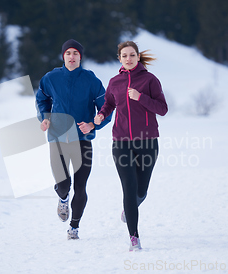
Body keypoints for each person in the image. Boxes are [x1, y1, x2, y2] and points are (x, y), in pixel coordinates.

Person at [94, 41, 168, 251]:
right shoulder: (115, 82)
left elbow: (162, 109)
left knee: (141, 191)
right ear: (119, 58)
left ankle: (130, 209)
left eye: (132, 55)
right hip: (121, 142)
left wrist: (141, 97)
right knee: (129, 188)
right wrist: (101, 114)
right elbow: (109, 104)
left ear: (138, 57)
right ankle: (134, 237)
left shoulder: (150, 80)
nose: (128, 59)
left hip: (147, 141)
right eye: (124, 55)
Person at [36, 39, 112, 240]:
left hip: (82, 140)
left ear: (80, 57)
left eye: (75, 53)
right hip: (58, 138)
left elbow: (105, 109)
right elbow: (42, 99)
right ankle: (62, 198)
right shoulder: (51, 78)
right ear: (63, 56)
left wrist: (93, 124)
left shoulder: (91, 80)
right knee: (63, 184)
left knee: (80, 186)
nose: (72, 56)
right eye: (68, 53)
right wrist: (44, 117)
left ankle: (74, 227)